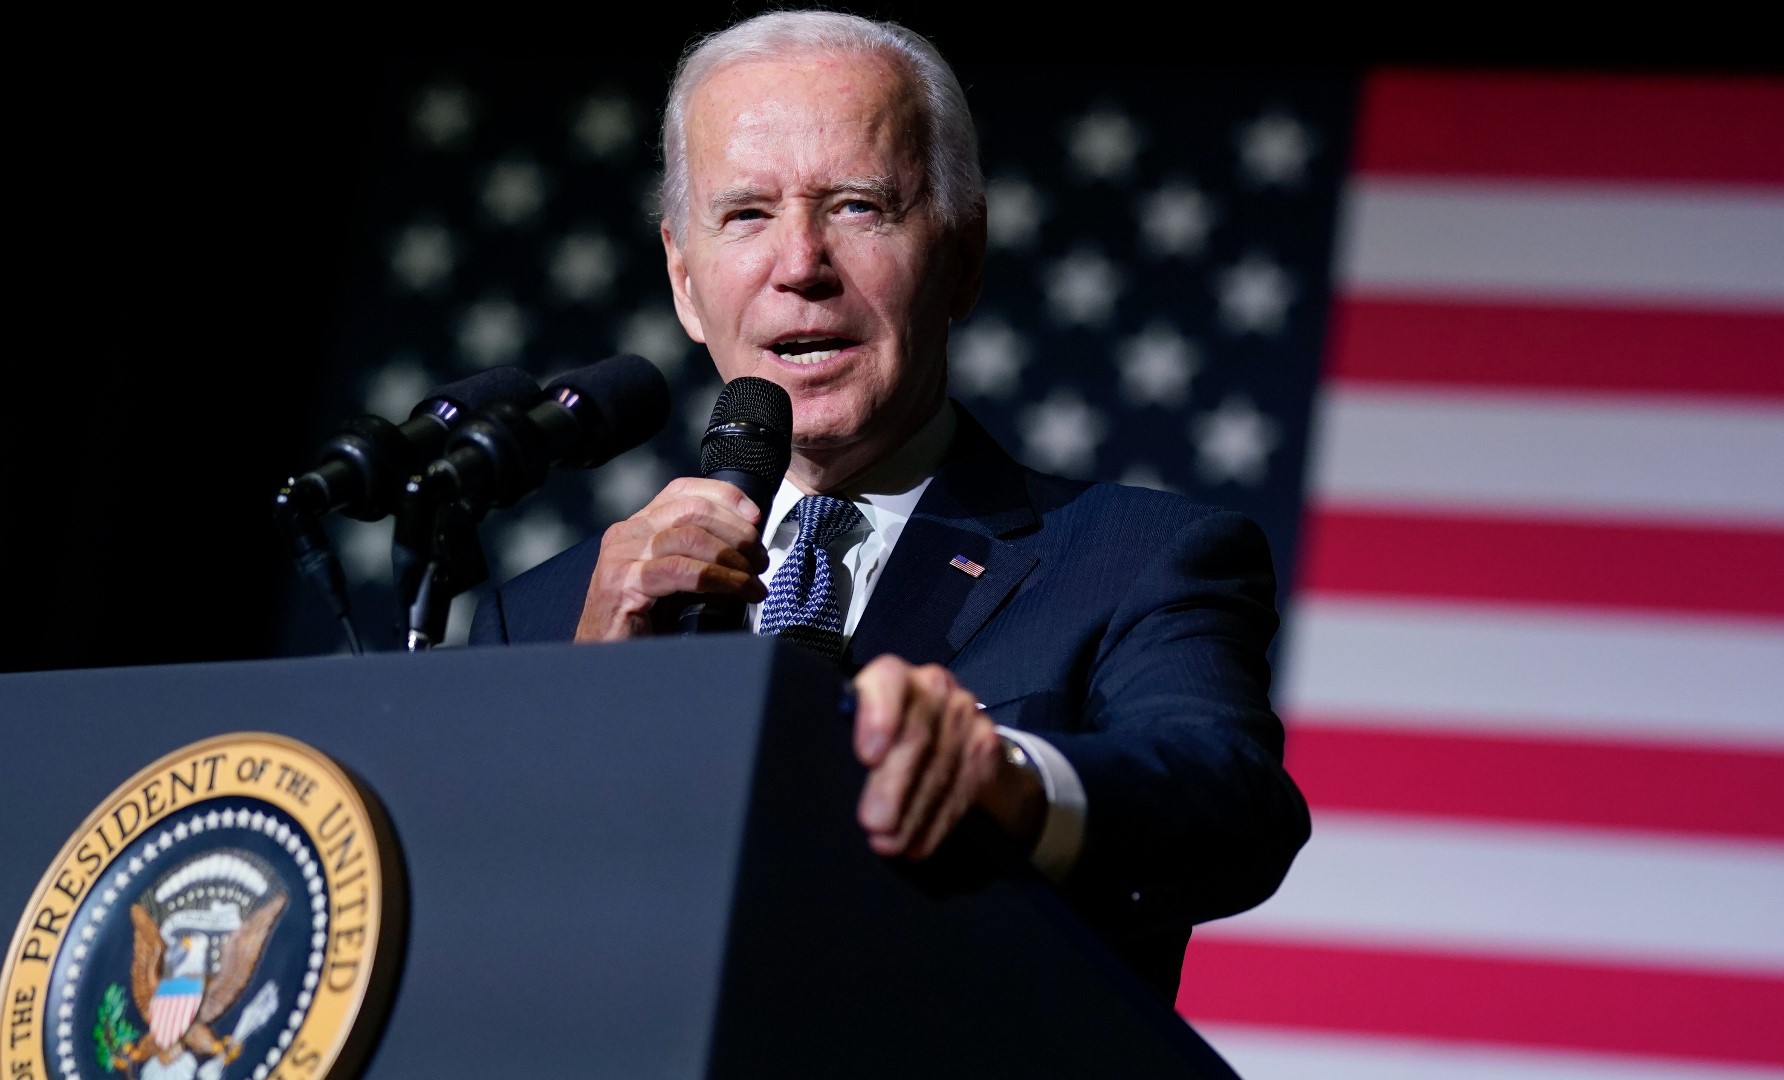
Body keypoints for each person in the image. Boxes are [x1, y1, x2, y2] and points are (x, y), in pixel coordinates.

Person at [471, 10, 1308, 998]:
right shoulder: (533, 619)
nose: (800, 265)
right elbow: (478, 940)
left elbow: (1230, 806)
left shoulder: (1139, 562)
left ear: (962, 252)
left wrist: (1008, 783)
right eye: (746, 214)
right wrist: (582, 703)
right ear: (684, 280)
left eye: (860, 206)